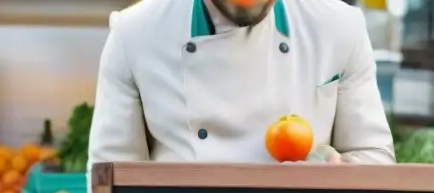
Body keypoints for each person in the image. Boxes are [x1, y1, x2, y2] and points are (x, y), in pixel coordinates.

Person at [87, 0, 396, 166]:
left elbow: (374, 157)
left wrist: (340, 174)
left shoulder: (339, 27)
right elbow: (110, 181)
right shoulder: (134, 34)